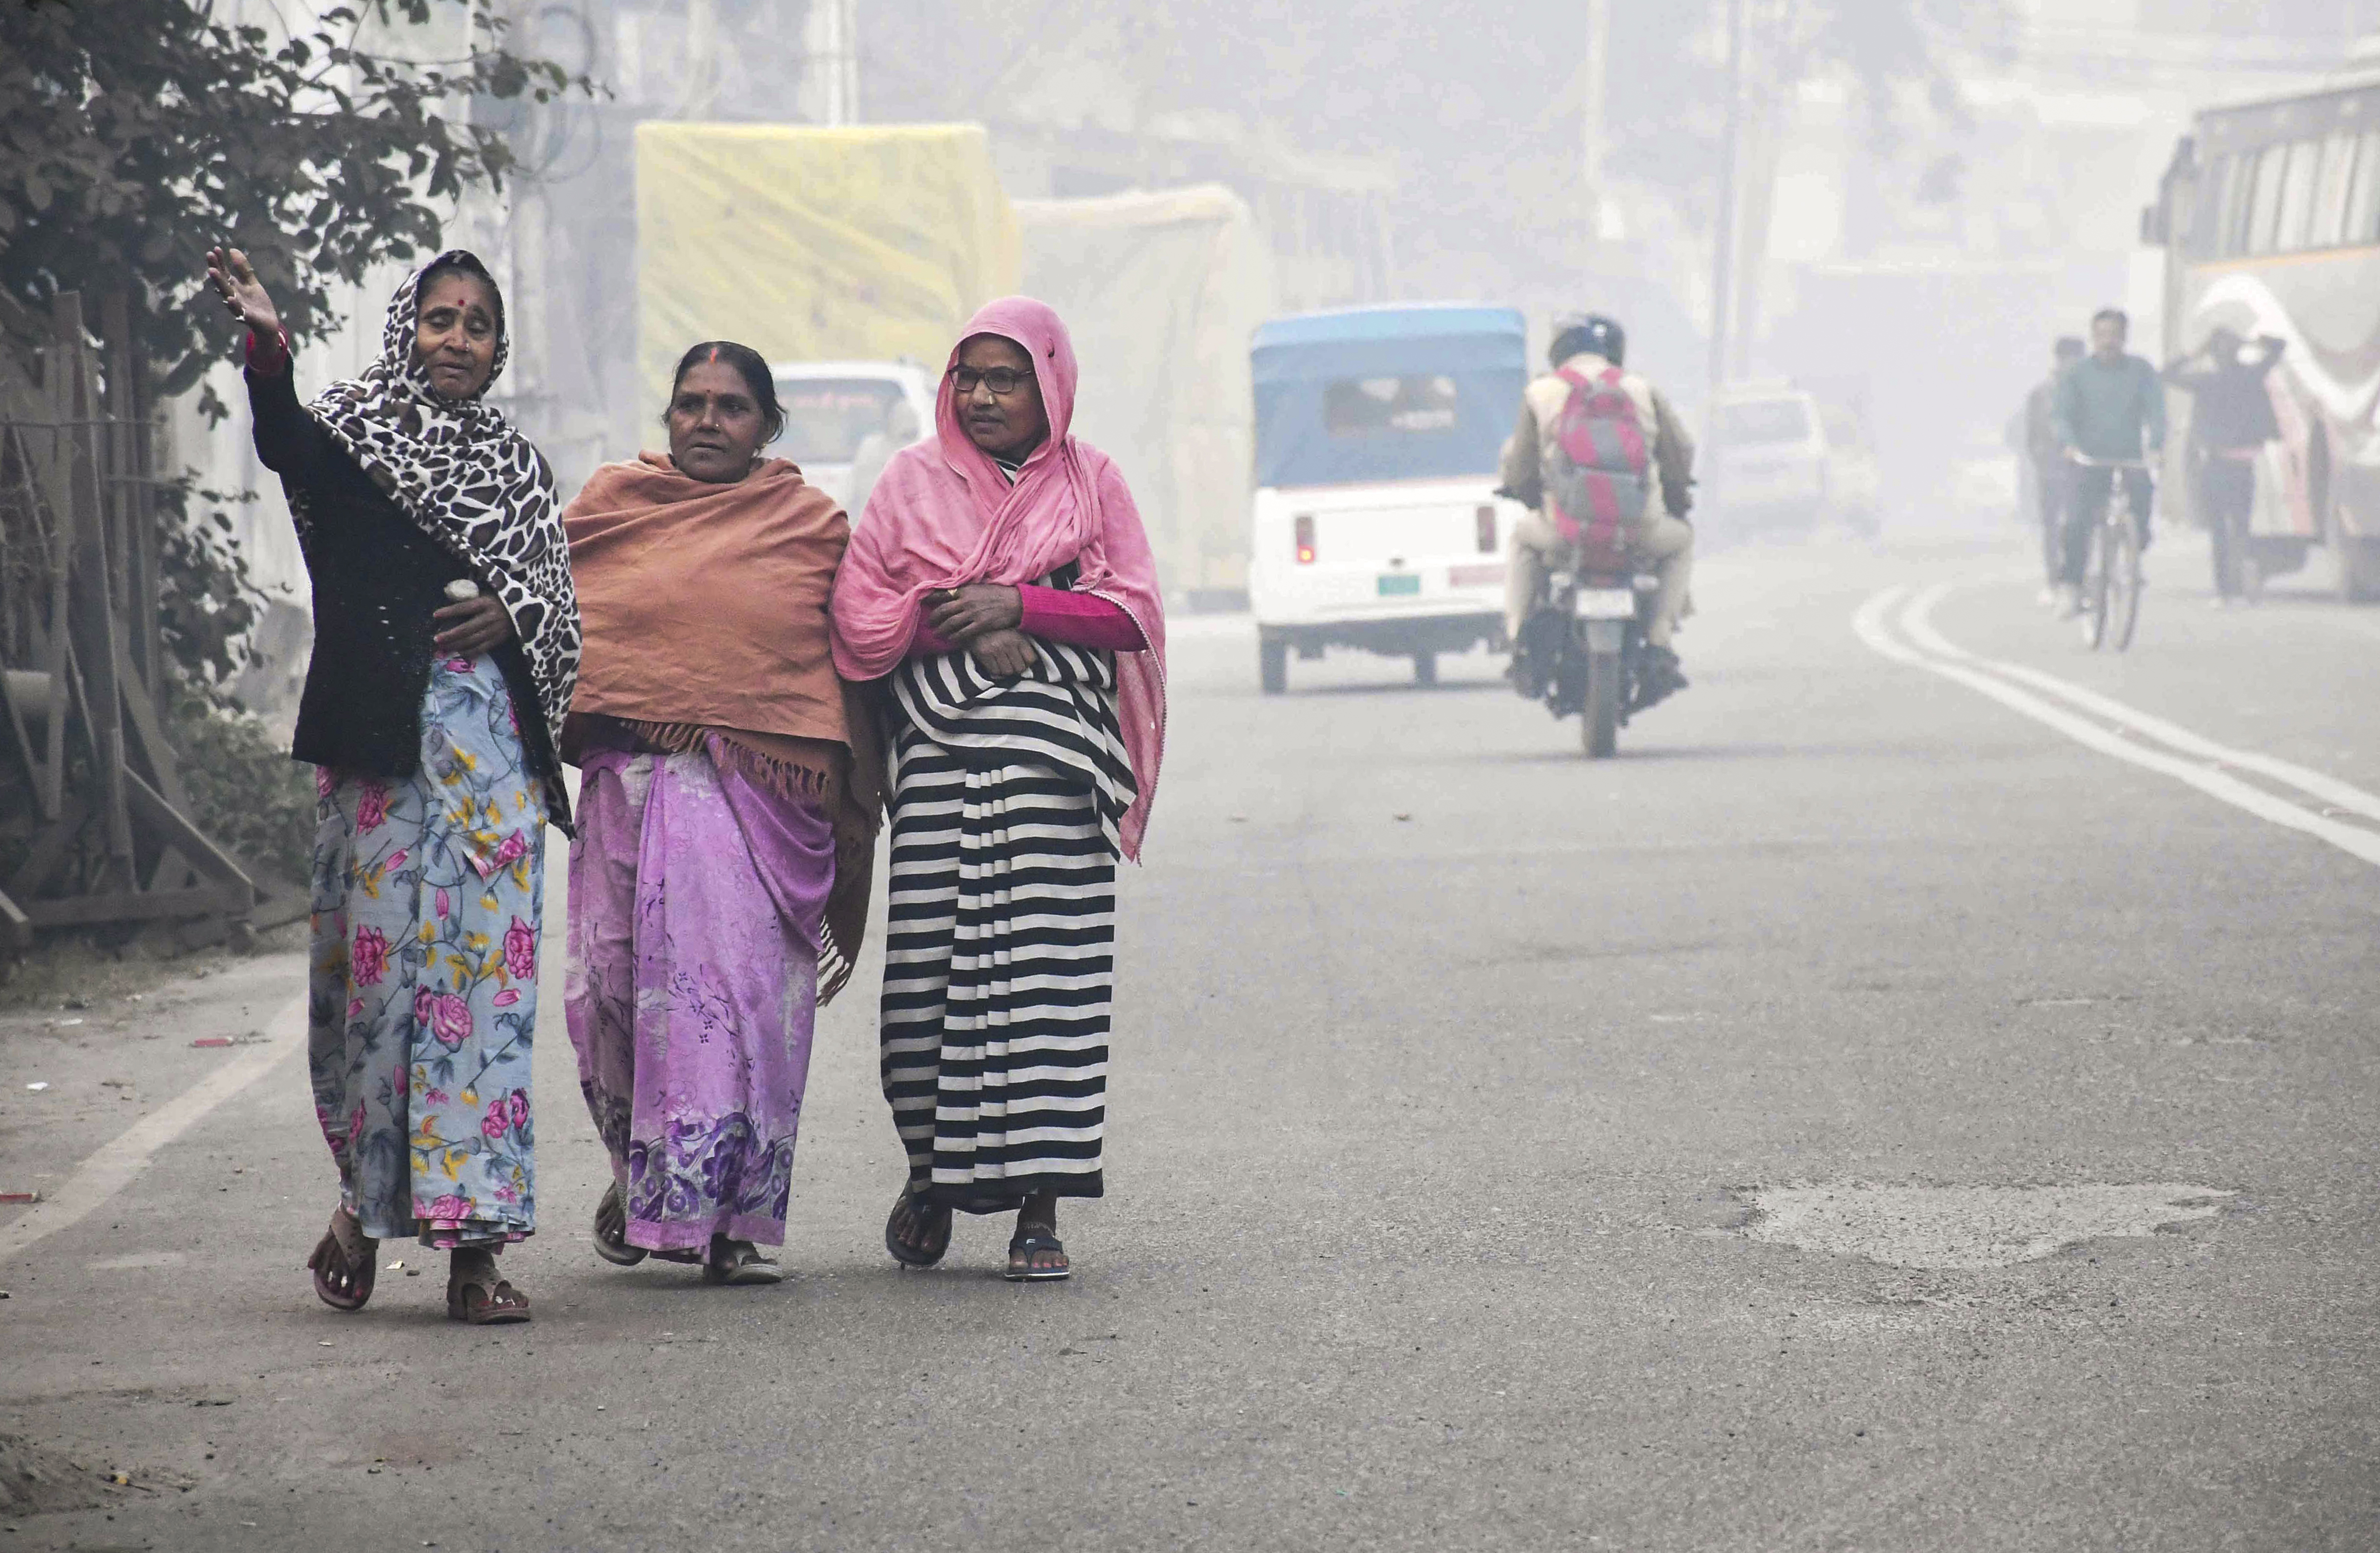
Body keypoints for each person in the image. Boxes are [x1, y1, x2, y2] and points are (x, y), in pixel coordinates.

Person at [206, 246, 579, 1325]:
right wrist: (269, 347)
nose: (455, 339)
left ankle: (476, 1253)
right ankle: (359, 1214)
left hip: (493, 762)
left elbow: (560, 609)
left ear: (497, 347)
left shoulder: (518, 466)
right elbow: (282, 443)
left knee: (483, 1001)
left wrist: (515, 613)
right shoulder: (351, 438)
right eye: (438, 319)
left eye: (475, 325)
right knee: (377, 999)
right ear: (404, 329)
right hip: (377, 754)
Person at [830, 297, 1166, 1284]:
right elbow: (859, 613)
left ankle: (1039, 1209)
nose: (980, 395)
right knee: (927, 987)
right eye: (967, 376)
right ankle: (929, 1178)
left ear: (1051, 383)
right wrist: (963, 626)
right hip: (939, 769)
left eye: (1005, 376)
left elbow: (1131, 610)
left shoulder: (1090, 481)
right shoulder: (909, 482)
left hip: (1058, 782)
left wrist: (1025, 604)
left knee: (1049, 995)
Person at [559, 341, 882, 1285]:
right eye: (691, 403)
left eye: (732, 407)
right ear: (667, 415)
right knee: (611, 999)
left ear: (768, 427)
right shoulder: (610, 508)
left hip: (753, 808)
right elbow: (553, 621)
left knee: (733, 1010)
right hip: (623, 788)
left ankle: (734, 1220)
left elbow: (856, 650)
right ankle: (643, 1178)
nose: (708, 420)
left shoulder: (809, 527)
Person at [1498, 313, 1695, 704]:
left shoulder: (1541, 393)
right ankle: (1658, 641)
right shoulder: (1640, 388)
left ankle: (1519, 638)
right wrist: (1677, 493)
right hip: (1637, 530)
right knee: (1681, 541)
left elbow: (1520, 464)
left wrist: (1524, 491)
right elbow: (1680, 451)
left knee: (1523, 539)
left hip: (1567, 533)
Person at [2052, 307, 2166, 615]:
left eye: (2114, 335)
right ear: (2093, 337)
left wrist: (2156, 446)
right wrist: (2069, 445)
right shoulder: (2077, 374)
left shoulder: (2141, 371)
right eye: (2102, 335)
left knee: (2143, 496)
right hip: (2087, 460)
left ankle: (2132, 554)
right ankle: (2071, 586)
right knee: (2077, 522)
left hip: (2129, 458)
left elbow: (2157, 412)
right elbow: (2062, 415)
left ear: (2125, 337)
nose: (2108, 342)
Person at [2164, 326, 2285, 605]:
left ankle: (2225, 591)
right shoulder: (2251, 375)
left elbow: (2167, 374)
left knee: (2220, 531)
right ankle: (2238, 587)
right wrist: (2250, 341)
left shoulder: (2207, 380)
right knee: (2240, 528)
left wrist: (2198, 350)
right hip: (2243, 465)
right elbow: (2279, 346)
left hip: (2216, 465)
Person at [2015, 336, 2085, 603]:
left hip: (2082, 468)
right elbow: (2032, 436)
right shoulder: (2042, 393)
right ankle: (2054, 581)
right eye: (2070, 359)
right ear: (2059, 360)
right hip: (2052, 470)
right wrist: (2043, 462)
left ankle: (2077, 578)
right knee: (2053, 528)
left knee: (2079, 525)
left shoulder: (2090, 391)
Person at [845, 397, 921, 521]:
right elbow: (853, 490)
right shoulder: (871, 449)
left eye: (911, 433)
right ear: (891, 422)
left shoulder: (922, 455)